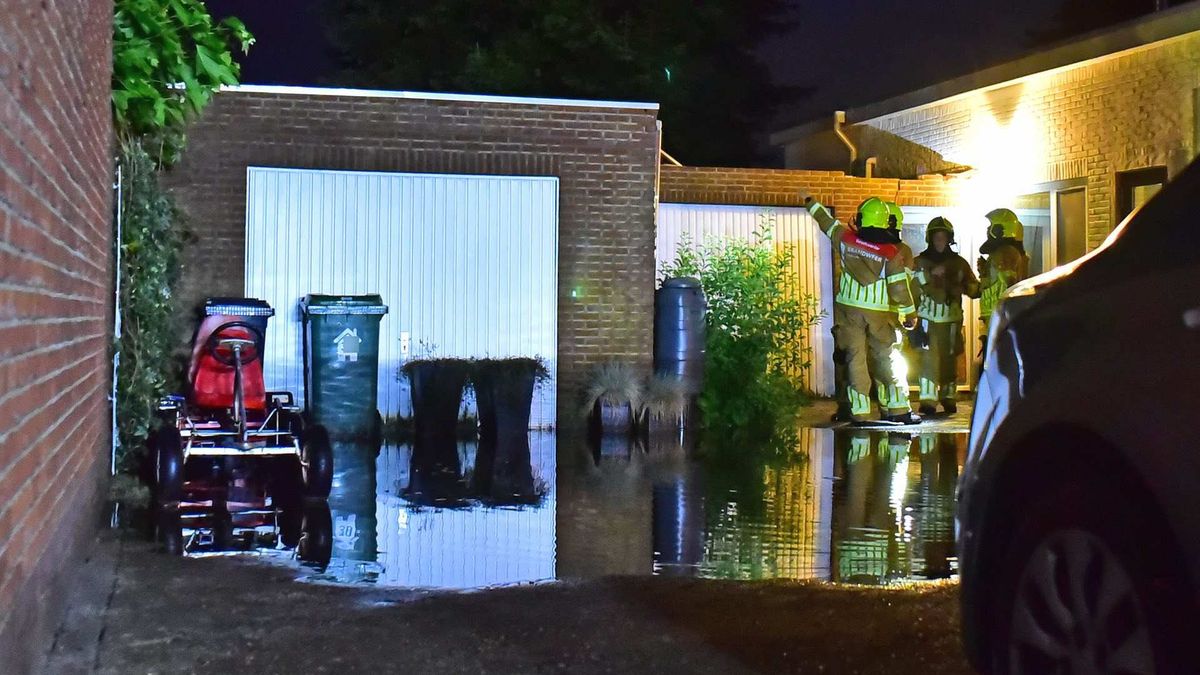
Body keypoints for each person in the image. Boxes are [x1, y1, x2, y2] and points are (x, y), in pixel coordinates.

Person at [801, 192, 921, 425]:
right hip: (879, 312)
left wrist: (811, 203)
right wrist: (909, 314)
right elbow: (898, 288)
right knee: (887, 357)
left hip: (849, 310)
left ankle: (860, 412)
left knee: (854, 358)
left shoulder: (845, 240)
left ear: (863, 219)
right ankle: (898, 410)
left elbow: (827, 223)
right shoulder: (891, 253)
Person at [912, 216, 979, 415]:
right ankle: (928, 401)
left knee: (950, 359)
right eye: (936, 237)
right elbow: (910, 288)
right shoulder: (919, 262)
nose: (939, 241)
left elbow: (974, 290)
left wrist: (979, 281)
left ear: (949, 239)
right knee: (927, 360)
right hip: (927, 320)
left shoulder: (959, 264)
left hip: (951, 320)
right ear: (930, 239)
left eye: (943, 237)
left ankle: (949, 398)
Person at [977, 208, 1030, 359]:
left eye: (991, 226)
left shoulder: (1006, 253)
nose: (988, 229)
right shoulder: (1002, 252)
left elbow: (1010, 285)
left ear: (1000, 229)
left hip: (1000, 319)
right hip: (995, 318)